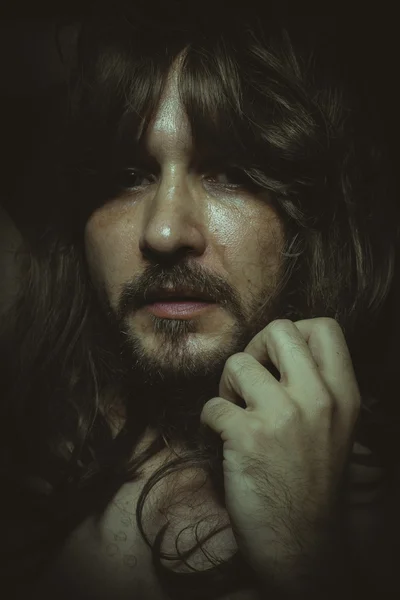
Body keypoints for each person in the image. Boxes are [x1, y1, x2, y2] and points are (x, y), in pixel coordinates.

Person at [0, 5, 398, 599]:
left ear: (309, 217)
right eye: (127, 175)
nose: (163, 233)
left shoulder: (378, 511)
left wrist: (305, 560)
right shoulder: (29, 422)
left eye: (231, 172)